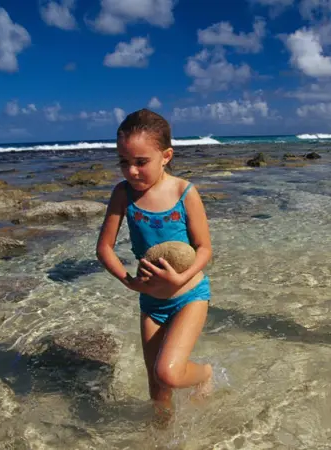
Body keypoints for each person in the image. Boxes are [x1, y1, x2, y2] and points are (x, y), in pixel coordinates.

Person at [96, 109, 213, 419]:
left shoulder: (183, 192)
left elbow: (204, 249)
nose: (131, 171)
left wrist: (180, 279)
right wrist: (127, 279)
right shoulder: (122, 194)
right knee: (158, 391)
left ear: (166, 156)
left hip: (189, 295)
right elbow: (104, 248)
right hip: (151, 302)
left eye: (140, 162)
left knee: (170, 373)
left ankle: (205, 374)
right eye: (124, 162)